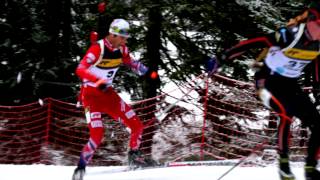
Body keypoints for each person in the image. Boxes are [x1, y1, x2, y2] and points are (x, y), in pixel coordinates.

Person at [208, 4, 320, 180]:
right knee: (285, 113)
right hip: (265, 83)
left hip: (290, 86)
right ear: (311, 21)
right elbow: (255, 42)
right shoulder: (289, 34)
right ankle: (284, 166)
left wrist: (318, 89)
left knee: (318, 123)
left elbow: (316, 65)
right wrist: (223, 56)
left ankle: (311, 169)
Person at [72, 18, 159, 180]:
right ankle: (81, 167)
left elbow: (131, 62)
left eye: (126, 38)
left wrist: (148, 72)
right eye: (123, 37)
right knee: (97, 135)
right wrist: (98, 81)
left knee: (137, 126)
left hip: (108, 95)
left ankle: (134, 156)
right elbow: (80, 69)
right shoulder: (97, 49)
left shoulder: (122, 49)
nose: (125, 41)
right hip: (90, 97)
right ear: (113, 35)